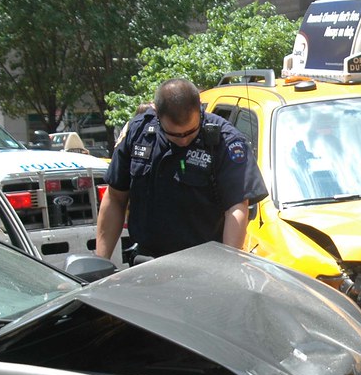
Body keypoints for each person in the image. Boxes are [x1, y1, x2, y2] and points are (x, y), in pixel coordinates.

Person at [95, 79, 268, 261]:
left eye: (190, 131)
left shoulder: (226, 141)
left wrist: (227, 265)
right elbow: (115, 197)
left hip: (204, 264)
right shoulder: (139, 133)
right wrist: (101, 261)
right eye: (175, 134)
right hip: (147, 263)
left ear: (199, 108)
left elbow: (236, 207)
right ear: (157, 115)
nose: (184, 140)